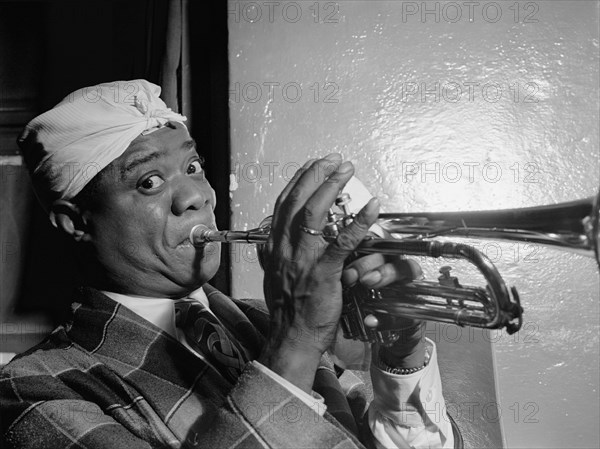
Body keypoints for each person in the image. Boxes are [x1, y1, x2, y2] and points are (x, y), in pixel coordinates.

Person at [0, 80, 455, 448]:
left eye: (194, 166)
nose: (198, 196)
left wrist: (401, 353)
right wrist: (294, 345)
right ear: (75, 222)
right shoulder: (33, 388)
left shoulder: (259, 320)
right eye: (150, 181)